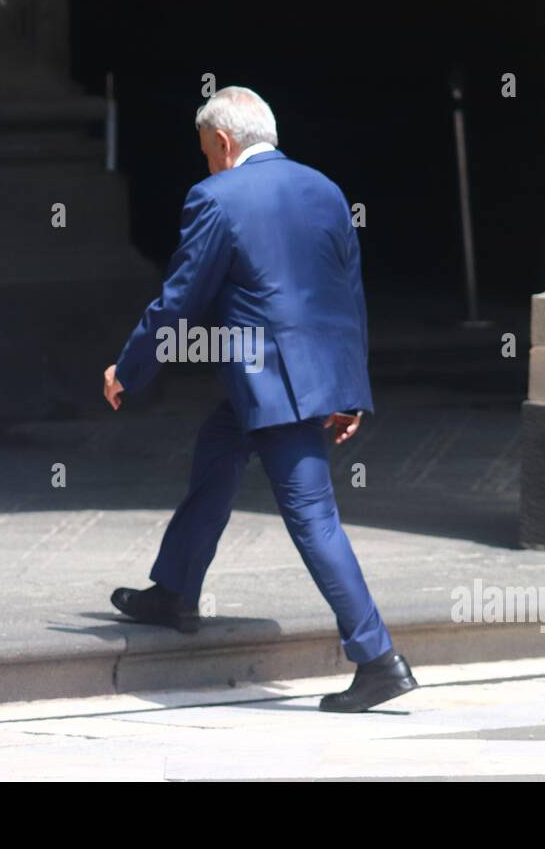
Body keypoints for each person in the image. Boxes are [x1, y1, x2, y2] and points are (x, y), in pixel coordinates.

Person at [103, 86, 417, 713]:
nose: (207, 163)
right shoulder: (325, 189)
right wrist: (350, 393)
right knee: (218, 451)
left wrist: (129, 369)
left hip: (276, 388)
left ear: (222, 142)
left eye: (206, 152)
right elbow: (348, 295)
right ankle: (173, 591)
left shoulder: (215, 197)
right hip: (292, 381)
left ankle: (377, 657)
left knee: (313, 517)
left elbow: (179, 301)